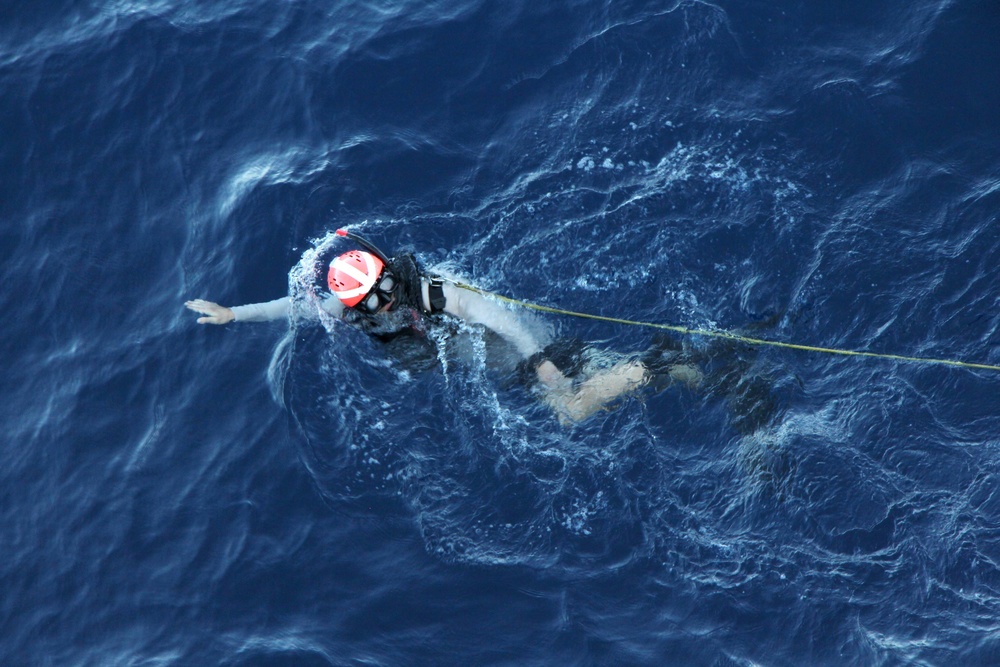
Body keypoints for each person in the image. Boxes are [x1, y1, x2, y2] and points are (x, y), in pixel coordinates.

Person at [186, 229, 703, 424]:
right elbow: (289, 307)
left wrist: (540, 361)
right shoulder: (352, 310)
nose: (384, 302)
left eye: (386, 286)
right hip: (484, 361)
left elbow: (496, 317)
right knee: (591, 386)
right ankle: (671, 369)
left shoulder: (434, 291)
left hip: (518, 349)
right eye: (371, 300)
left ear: (389, 270)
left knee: (570, 410)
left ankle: (661, 363)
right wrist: (234, 314)